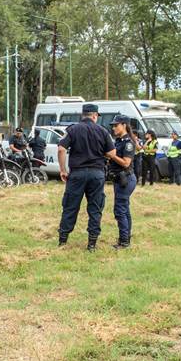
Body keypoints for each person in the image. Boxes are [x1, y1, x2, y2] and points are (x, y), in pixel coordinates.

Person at [57, 103, 116, 251]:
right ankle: (92, 244)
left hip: (77, 173)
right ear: (95, 116)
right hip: (97, 174)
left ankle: (63, 241)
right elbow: (112, 154)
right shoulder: (103, 131)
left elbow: (61, 149)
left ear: (82, 115)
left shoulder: (72, 129)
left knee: (70, 206)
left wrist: (63, 170)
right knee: (95, 208)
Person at [109, 116, 137, 249]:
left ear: (124, 125)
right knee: (124, 209)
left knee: (120, 210)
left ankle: (124, 241)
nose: (114, 128)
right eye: (113, 126)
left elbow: (126, 163)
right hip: (119, 179)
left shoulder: (128, 142)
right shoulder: (119, 141)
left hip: (125, 179)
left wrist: (112, 156)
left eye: (116, 125)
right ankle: (126, 238)